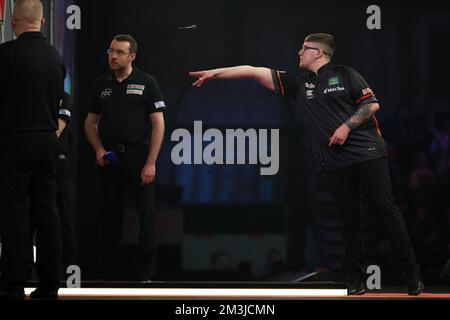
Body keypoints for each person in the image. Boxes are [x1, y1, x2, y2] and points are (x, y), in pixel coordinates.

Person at [189, 33, 424, 295]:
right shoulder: (298, 83)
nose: (299, 52)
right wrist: (215, 74)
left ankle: (411, 274)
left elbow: (371, 105)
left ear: (319, 53)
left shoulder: (346, 74)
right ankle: (355, 280)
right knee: (349, 219)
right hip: (335, 161)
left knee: (385, 210)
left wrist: (345, 128)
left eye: (304, 48)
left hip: (368, 152)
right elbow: (252, 71)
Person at [84, 34, 165, 282]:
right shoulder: (102, 84)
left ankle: (146, 275)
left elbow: (159, 124)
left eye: (119, 52)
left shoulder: (147, 82)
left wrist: (151, 162)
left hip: (138, 156)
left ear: (132, 56)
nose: (113, 56)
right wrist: (98, 149)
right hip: (110, 157)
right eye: (111, 51)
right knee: (109, 218)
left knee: (146, 218)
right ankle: (108, 274)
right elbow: (89, 123)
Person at [0, 0, 65, 299]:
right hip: (48, 140)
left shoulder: (7, 54)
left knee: (15, 212)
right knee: (47, 211)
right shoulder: (55, 56)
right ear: (41, 22)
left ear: (14, 21)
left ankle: (13, 283)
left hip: (15, 139)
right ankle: (50, 283)